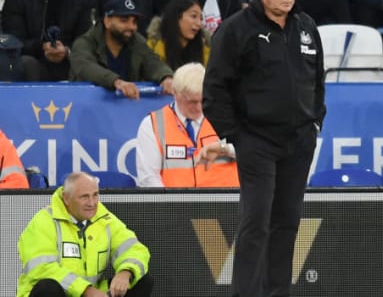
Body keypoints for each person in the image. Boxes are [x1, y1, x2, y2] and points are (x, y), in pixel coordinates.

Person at [202, 0, 325, 297]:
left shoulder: (306, 26)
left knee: (287, 222)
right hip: (257, 141)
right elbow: (213, 90)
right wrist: (238, 136)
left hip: (299, 141)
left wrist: (315, 122)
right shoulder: (236, 29)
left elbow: (317, 81)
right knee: (255, 222)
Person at [17, 172, 153, 297]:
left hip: (93, 293)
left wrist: (126, 272)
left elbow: (135, 249)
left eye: (95, 195)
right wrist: (85, 290)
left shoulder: (104, 219)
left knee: (141, 279)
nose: (92, 203)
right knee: (48, 288)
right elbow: (42, 269)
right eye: (84, 197)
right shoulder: (43, 221)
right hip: (65, 293)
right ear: (66, 198)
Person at [136, 62, 239, 187]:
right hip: (174, 204)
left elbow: (254, 152)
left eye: (203, 100)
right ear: (174, 92)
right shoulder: (152, 124)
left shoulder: (228, 116)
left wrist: (225, 149)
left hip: (226, 203)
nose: (199, 107)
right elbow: (148, 178)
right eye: (192, 101)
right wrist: (168, 205)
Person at [69, 0, 174, 100]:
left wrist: (166, 77)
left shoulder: (137, 41)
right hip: (88, 105)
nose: (132, 27)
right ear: (107, 21)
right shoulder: (85, 42)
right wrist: (116, 81)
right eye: (124, 21)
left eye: (134, 22)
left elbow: (152, 62)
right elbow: (86, 67)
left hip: (126, 106)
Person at [147, 0, 210, 70]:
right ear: (176, 17)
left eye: (201, 19)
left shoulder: (204, 48)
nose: (199, 23)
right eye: (194, 16)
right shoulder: (153, 45)